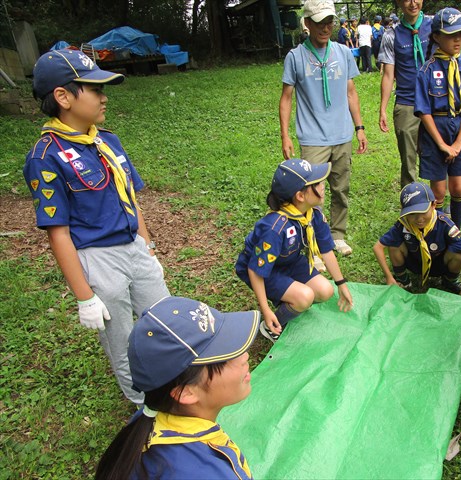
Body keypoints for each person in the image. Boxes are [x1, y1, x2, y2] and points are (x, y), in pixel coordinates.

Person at [23, 49, 169, 405]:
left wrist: (147, 246)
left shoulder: (107, 141)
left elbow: (131, 198)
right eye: (93, 88)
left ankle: (174, 387)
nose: (104, 97)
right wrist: (85, 297)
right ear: (63, 97)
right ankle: (144, 410)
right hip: (98, 261)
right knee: (122, 341)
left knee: (165, 321)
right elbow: (58, 233)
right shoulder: (46, 157)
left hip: (134, 247)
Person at [95, 296, 260, 479]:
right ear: (187, 392)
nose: (244, 356)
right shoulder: (204, 474)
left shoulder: (146, 418)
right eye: (223, 358)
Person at [279, 0, 368, 258]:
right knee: (310, 193)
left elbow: (351, 92)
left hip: (342, 134)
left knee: (341, 188)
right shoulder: (295, 57)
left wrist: (359, 127)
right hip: (313, 137)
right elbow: (286, 98)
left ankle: (337, 235)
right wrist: (285, 135)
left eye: (329, 21)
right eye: (319, 22)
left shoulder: (342, 52)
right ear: (307, 23)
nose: (326, 27)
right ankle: (314, 243)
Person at [236, 159, 353, 343]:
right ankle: (271, 327)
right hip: (262, 271)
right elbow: (255, 270)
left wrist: (341, 284)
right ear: (300, 196)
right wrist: (265, 310)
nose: (323, 186)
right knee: (305, 297)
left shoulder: (312, 214)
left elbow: (326, 251)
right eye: (317, 183)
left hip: (288, 261)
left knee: (325, 291)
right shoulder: (274, 228)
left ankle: (289, 300)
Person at [414, 7, 461, 229]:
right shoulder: (427, 71)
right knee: (439, 191)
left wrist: (459, 143)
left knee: (459, 188)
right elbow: (424, 111)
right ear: (436, 37)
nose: (458, 39)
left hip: (460, 128)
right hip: (435, 133)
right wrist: (442, 145)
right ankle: (440, 233)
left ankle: (456, 232)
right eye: (451, 35)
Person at [373, 182, 461, 297]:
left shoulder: (445, 224)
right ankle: (403, 280)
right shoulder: (403, 224)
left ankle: (449, 280)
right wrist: (389, 277)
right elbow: (378, 247)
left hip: (440, 264)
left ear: (433, 205)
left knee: (460, 253)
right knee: (393, 245)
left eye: (423, 212)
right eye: (412, 214)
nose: (419, 219)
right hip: (415, 264)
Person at [379, 0, 433, 187]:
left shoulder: (435, 26)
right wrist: (383, 109)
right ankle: (411, 204)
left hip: (435, 101)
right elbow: (388, 74)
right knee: (408, 159)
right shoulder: (391, 34)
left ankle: (442, 204)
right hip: (406, 101)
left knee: (438, 156)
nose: (412, 3)